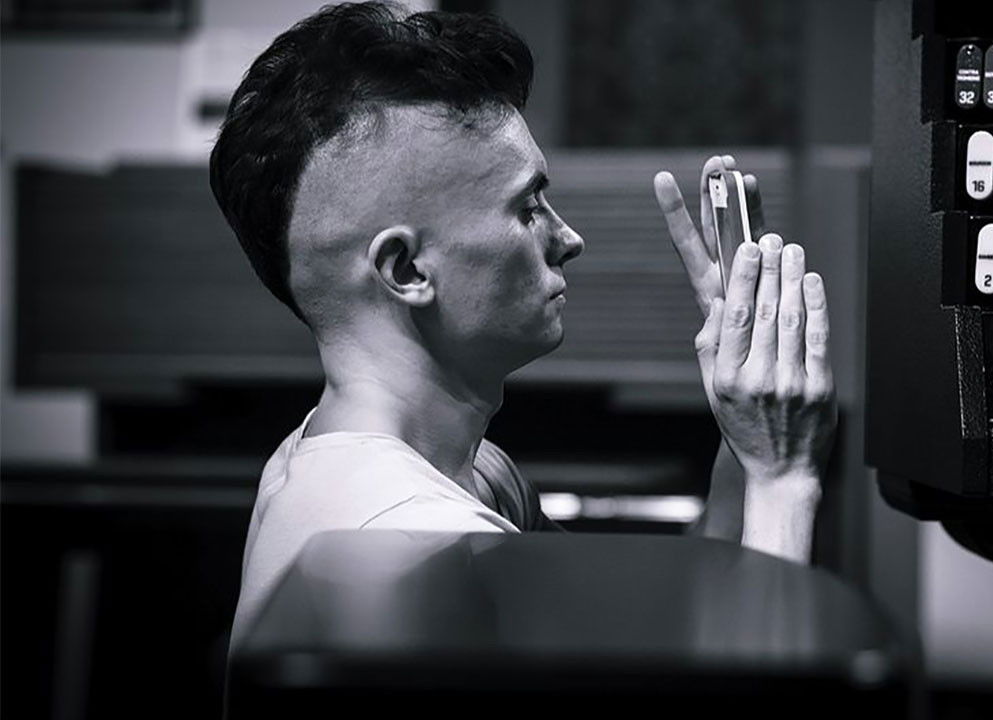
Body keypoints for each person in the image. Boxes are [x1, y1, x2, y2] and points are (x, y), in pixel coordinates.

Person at [210, 2, 837, 652]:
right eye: (528, 207)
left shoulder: (436, 469)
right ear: (406, 269)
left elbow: (668, 632)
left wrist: (747, 435)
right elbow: (753, 693)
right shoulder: (417, 550)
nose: (569, 238)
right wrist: (784, 480)